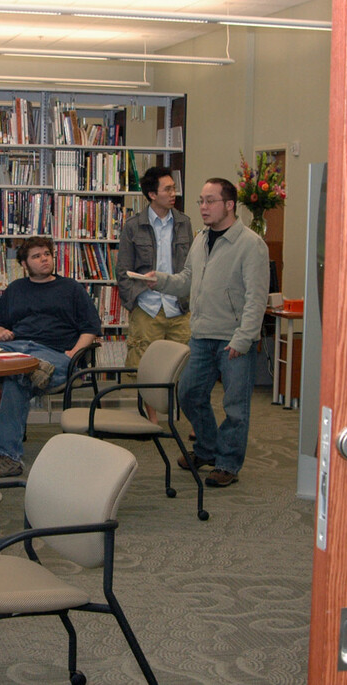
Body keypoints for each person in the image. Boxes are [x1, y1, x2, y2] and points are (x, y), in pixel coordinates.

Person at [139, 177, 269, 488]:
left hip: (233, 338)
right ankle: (207, 448)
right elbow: (187, 280)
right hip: (201, 334)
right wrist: (162, 281)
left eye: (210, 201)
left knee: (235, 406)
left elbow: (256, 297)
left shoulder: (251, 245)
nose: (203, 207)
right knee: (188, 394)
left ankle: (227, 463)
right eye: (200, 200)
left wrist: (243, 337)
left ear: (229, 205)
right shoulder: (201, 239)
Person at [0, 236, 102, 477]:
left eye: (46, 253)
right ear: (24, 264)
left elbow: (90, 328)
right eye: (36, 256)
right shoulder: (15, 289)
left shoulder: (71, 289)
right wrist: (1, 333)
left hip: (56, 353)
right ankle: (30, 369)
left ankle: (7, 457)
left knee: (17, 379)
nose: (44, 259)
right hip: (18, 348)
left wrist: (75, 353)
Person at [116, 166, 194, 422]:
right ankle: (153, 420)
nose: (174, 193)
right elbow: (123, 271)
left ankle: (194, 418)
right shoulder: (133, 226)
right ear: (151, 194)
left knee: (187, 365)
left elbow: (192, 266)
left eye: (174, 188)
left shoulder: (184, 223)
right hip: (147, 307)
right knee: (145, 366)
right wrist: (134, 301)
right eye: (168, 189)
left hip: (178, 305)